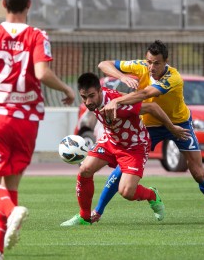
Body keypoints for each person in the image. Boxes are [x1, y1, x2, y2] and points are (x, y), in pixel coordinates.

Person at [0, 0, 75, 260]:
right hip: (26, 122)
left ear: (3, 3)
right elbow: (41, 74)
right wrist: (66, 88)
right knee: (10, 186)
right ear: (29, 4)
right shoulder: (38, 35)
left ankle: (12, 213)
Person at [93, 40, 204, 224]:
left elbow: (145, 94)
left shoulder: (173, 78)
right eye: (149, 62)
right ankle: (97, 212)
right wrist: (122, 76)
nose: (151, 67)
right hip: (149, 126)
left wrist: (118, 101)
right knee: (124, 166)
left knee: (197, 171)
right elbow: (103, 64)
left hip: (179, 123)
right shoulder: (140, 66)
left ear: (166, 62)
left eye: (156, 63)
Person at [60, 72, 190, 227]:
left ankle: (151, 195)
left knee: (126, 192)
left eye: (92, 96)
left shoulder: (120, 104)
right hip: (111, 141)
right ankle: (84, 218)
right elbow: (103, 66)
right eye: (84, 97)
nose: (88, 101)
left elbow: (153, 107)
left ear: (100, 91)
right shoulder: (96, 101)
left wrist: (172, 128)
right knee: (85, 170)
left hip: (134, 147)